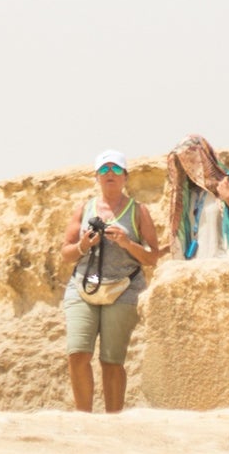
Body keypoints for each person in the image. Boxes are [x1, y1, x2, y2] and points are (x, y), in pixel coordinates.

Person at [59, 152, 162, 413]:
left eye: (116, 169)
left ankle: (113, 421)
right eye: (104, 170)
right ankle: (85, 419)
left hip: (123, 287)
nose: (110, 174)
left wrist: (127, 243)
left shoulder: (138, 211)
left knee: (111, 361)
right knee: (78, 354)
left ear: (126, 177)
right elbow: (65, 253)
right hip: (86, 282)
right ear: (96, 177)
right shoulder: (85, 209)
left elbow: (152, 257)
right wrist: (84, 244)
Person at [161, 136, 229, 260]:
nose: (186, 165)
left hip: (227, 265)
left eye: (190, 159)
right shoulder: (188, 194)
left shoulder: (228, 182)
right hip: (198, 268)